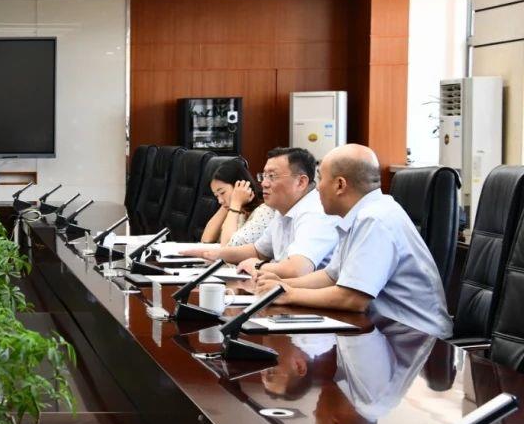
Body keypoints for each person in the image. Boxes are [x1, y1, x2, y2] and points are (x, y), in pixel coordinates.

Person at [254, 144, 453, 338]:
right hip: (382, 332)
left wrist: (289, 294)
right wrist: (281, 285)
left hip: (418, 340)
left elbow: (353, 298)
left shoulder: (375, 219)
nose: (317, 189)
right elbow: (331, 276)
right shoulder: (358, 216)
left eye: (321, 179)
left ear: (340, 185)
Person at [183, 147, 339, 279]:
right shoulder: (283, 210)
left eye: (272, 176)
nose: (263, 183)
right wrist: (213, 254)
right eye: (263, 176)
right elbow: (258, 251)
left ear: (301, 182)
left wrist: (258, 266)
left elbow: (297, 270)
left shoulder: (315, 213)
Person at [197, 158, 277, 247]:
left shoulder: (265, 211)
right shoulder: (238, 210)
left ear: (240, 185)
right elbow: (206, 239)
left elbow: (228, 247)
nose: (220, 201)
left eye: (222, 193)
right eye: (216, 196)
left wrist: (235, 203)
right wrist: (227, 205)